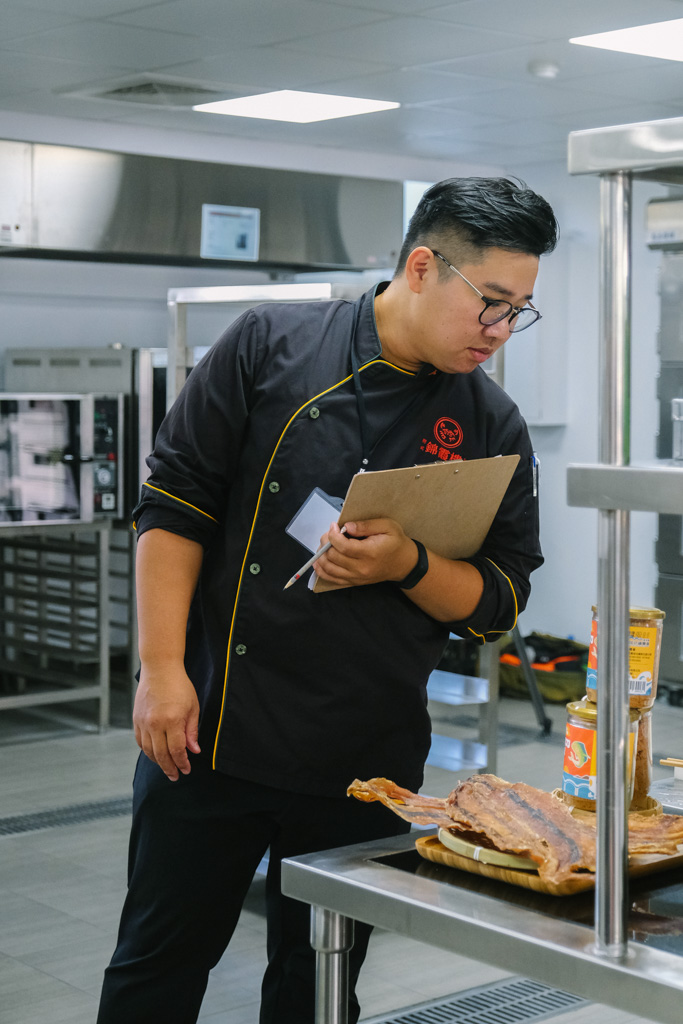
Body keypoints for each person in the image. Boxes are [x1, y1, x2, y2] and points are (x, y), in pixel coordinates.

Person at [97, 176, 559, 1024]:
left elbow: (498, 601)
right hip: (211, 732)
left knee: (316, 988)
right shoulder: (269, 345)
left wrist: (408, 563)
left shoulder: (491, 424)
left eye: (517, 311)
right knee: (157, 966)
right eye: (489, 303)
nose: (499, 331)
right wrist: (160, 670)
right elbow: (175, 506)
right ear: (422, 267)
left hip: (364, 759)